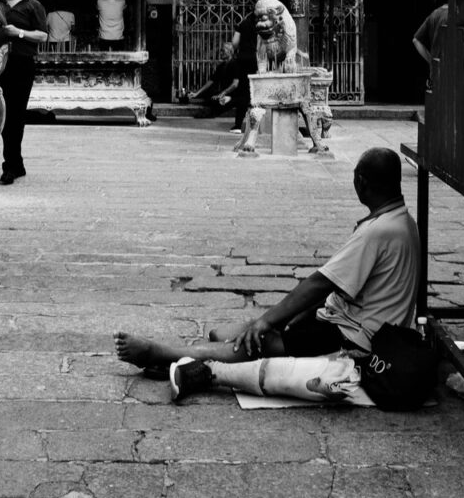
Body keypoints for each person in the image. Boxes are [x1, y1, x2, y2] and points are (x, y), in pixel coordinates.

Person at [114, 147, 420, 401]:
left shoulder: (378, 231)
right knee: (227, 333)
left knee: (254, 342)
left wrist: (267, 321)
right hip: (352, 319)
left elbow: (319, 283)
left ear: (362, 182)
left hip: (356, 336)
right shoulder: (401, 221)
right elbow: (340, 286)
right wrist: (285, 319)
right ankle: (190, 354)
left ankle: (164, 353)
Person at [0, 0, 48, 186]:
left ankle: (11, 165)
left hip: (22, 64)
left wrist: (19, 32)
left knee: (15, 114)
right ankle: (16, 163)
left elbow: (42, 36)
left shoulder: (33, 6)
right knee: (1, 114)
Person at [411, 0, 464, 70]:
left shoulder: (434, 14)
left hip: (436, 72)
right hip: (453, 72)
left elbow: (415, 40)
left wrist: (431, 61)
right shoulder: (458, 14)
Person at [229, 5, 261, 133]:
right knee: (257, 91)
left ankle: (238, 125)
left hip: (242, 59)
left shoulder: (243, 23)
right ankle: (257, 125)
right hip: (257, 60)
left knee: (243, 91)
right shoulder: (263, 25)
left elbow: (234, 43)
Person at [187, 42, 241, 118]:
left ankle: (210, 112)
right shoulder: (221, 66)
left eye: (223, 50)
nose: (221, 53)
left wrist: (223, 93)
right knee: (209, 95)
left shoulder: (235, 64)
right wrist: (197, 93)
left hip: (234, 94)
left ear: (230, 52)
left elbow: (235, 84)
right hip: (223, 93)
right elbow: (211, 81)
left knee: (217, 102)